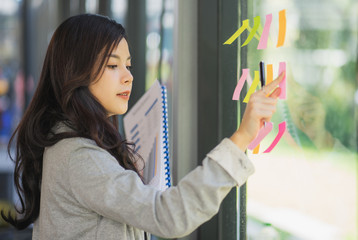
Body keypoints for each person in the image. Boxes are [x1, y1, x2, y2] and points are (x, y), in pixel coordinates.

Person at [1, 14, 284, 240]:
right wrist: (243, 136)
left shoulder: (65, 141)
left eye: (129, 65)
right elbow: (170, 216)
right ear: (76, 72)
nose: (128, 77)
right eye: (113, 66)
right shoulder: (80, 157)